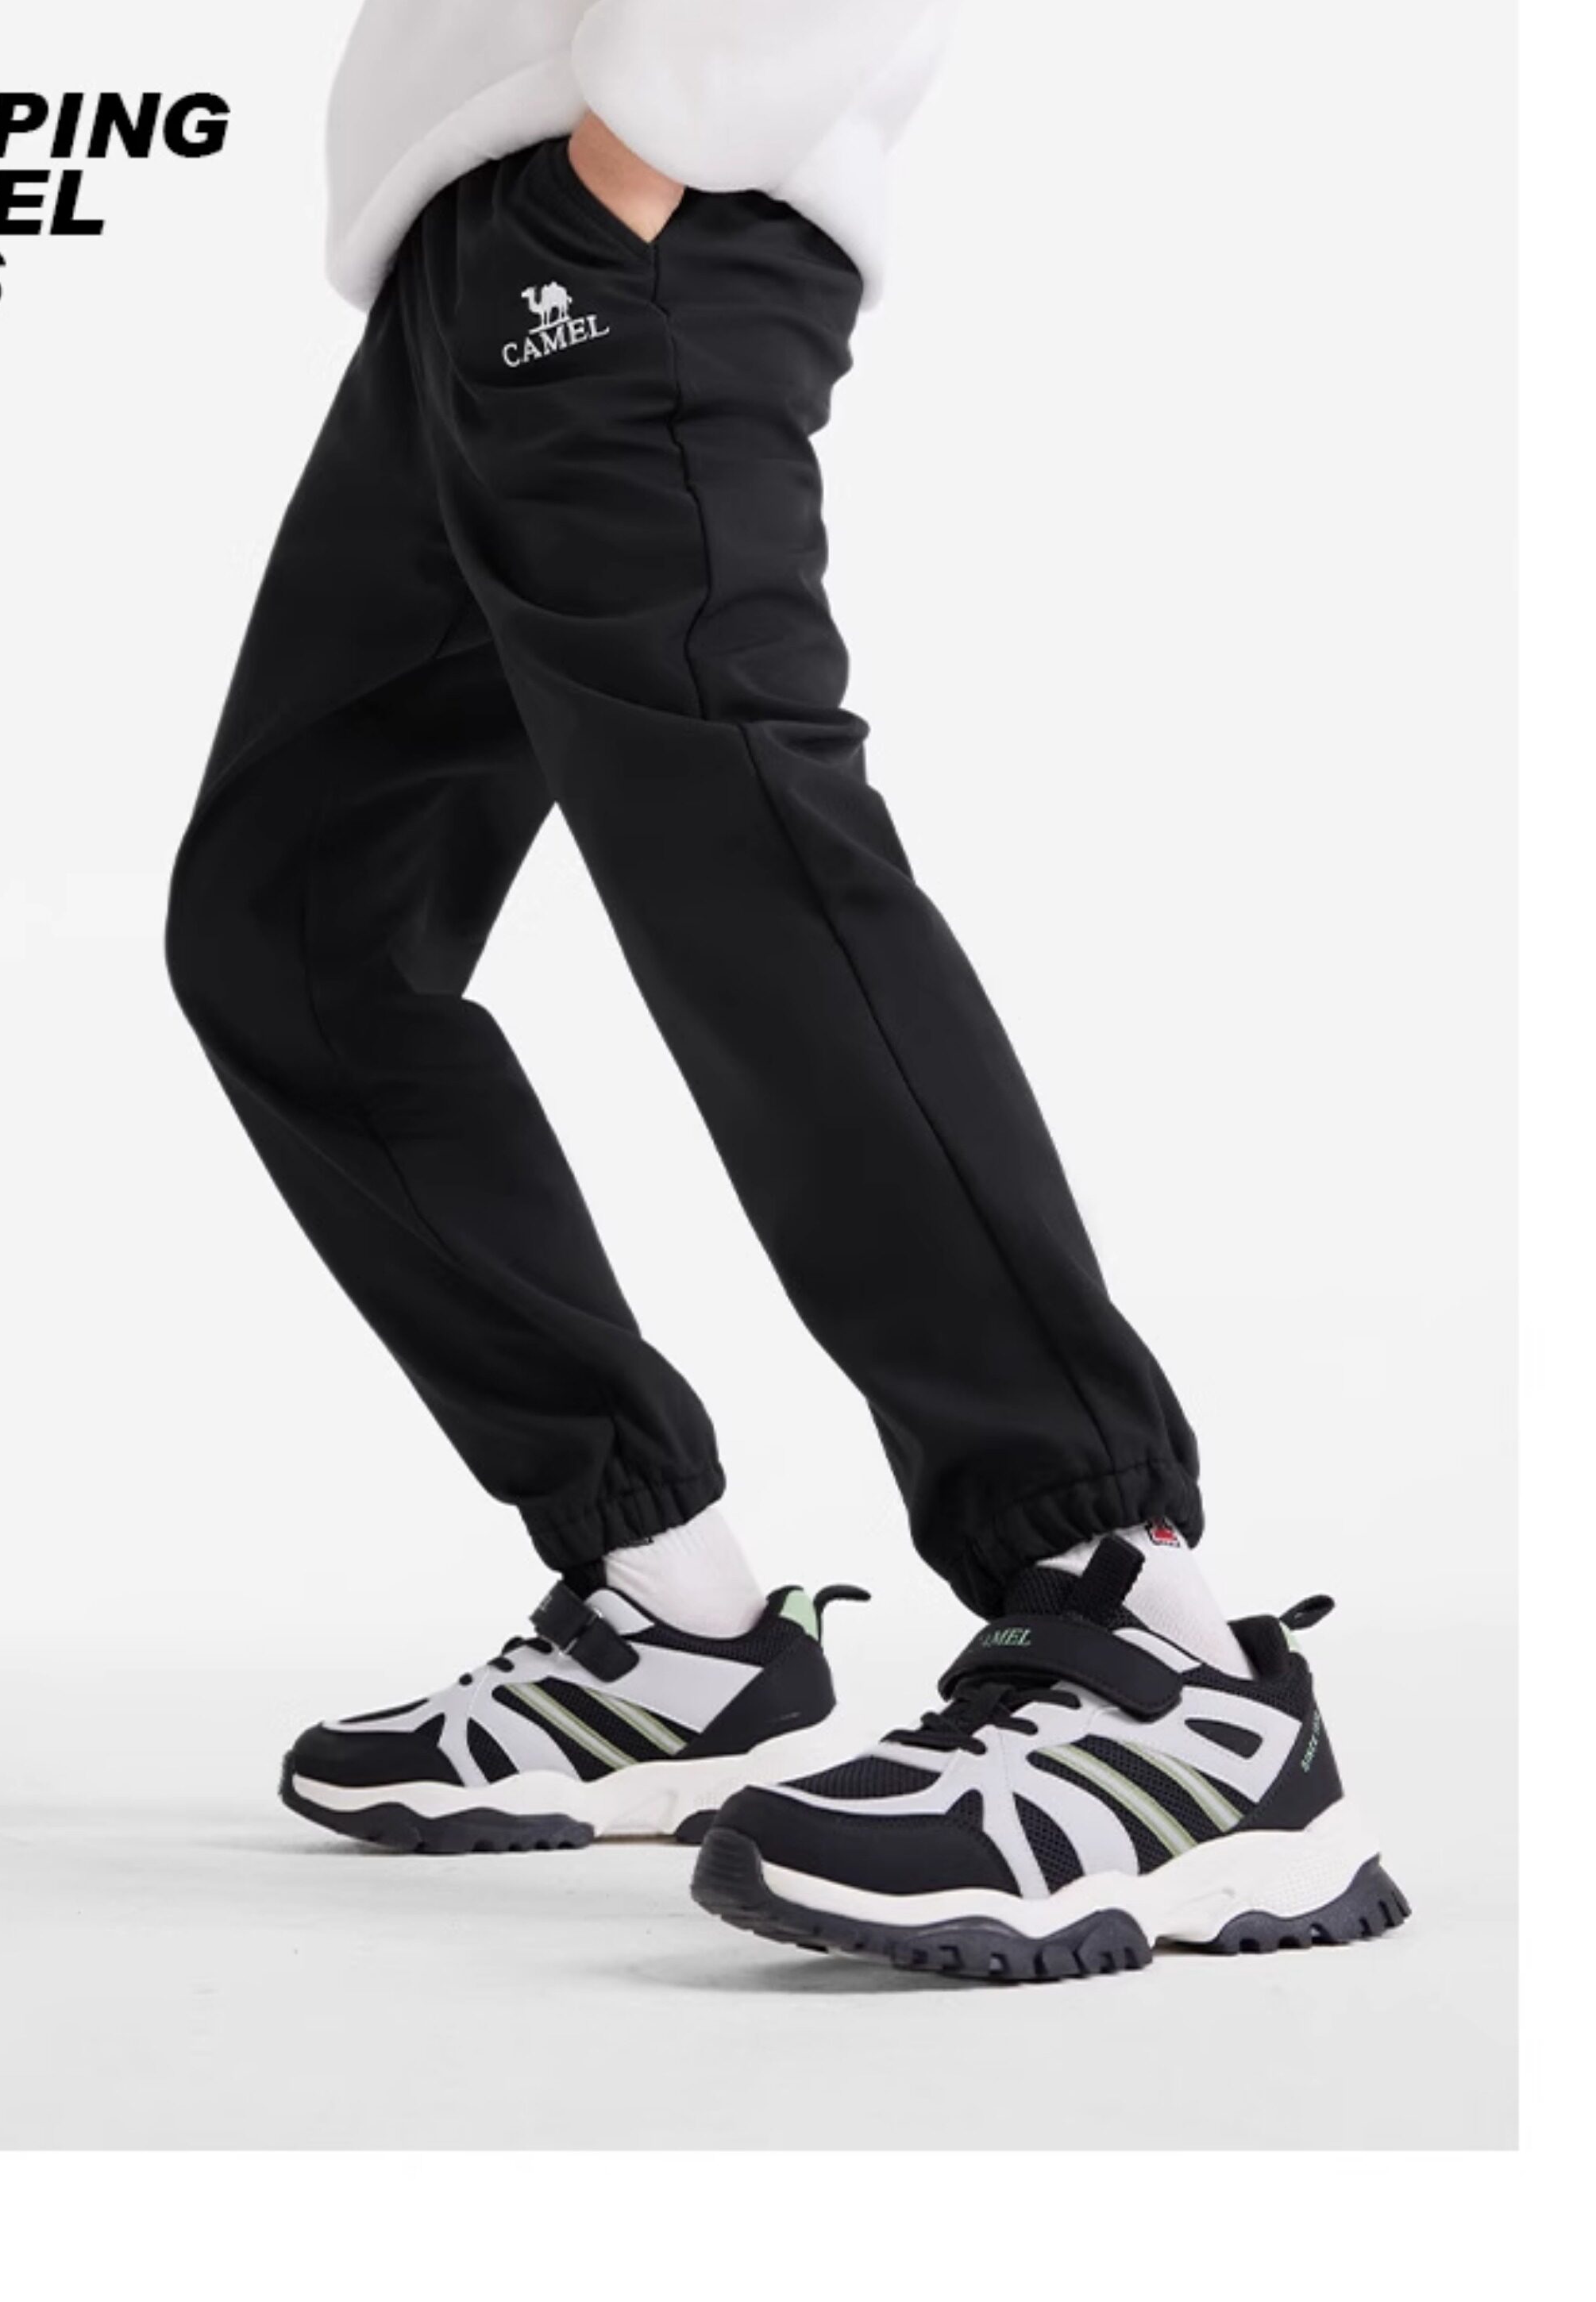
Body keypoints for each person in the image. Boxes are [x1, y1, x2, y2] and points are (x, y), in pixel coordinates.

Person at [165, 0, 1406, 1976]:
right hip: (474, 257)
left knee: (747, 871)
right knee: (291, 926)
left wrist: (646, 153)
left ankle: (1154, 1652)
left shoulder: (641, 174)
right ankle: (670, 1618)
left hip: (633, 215)